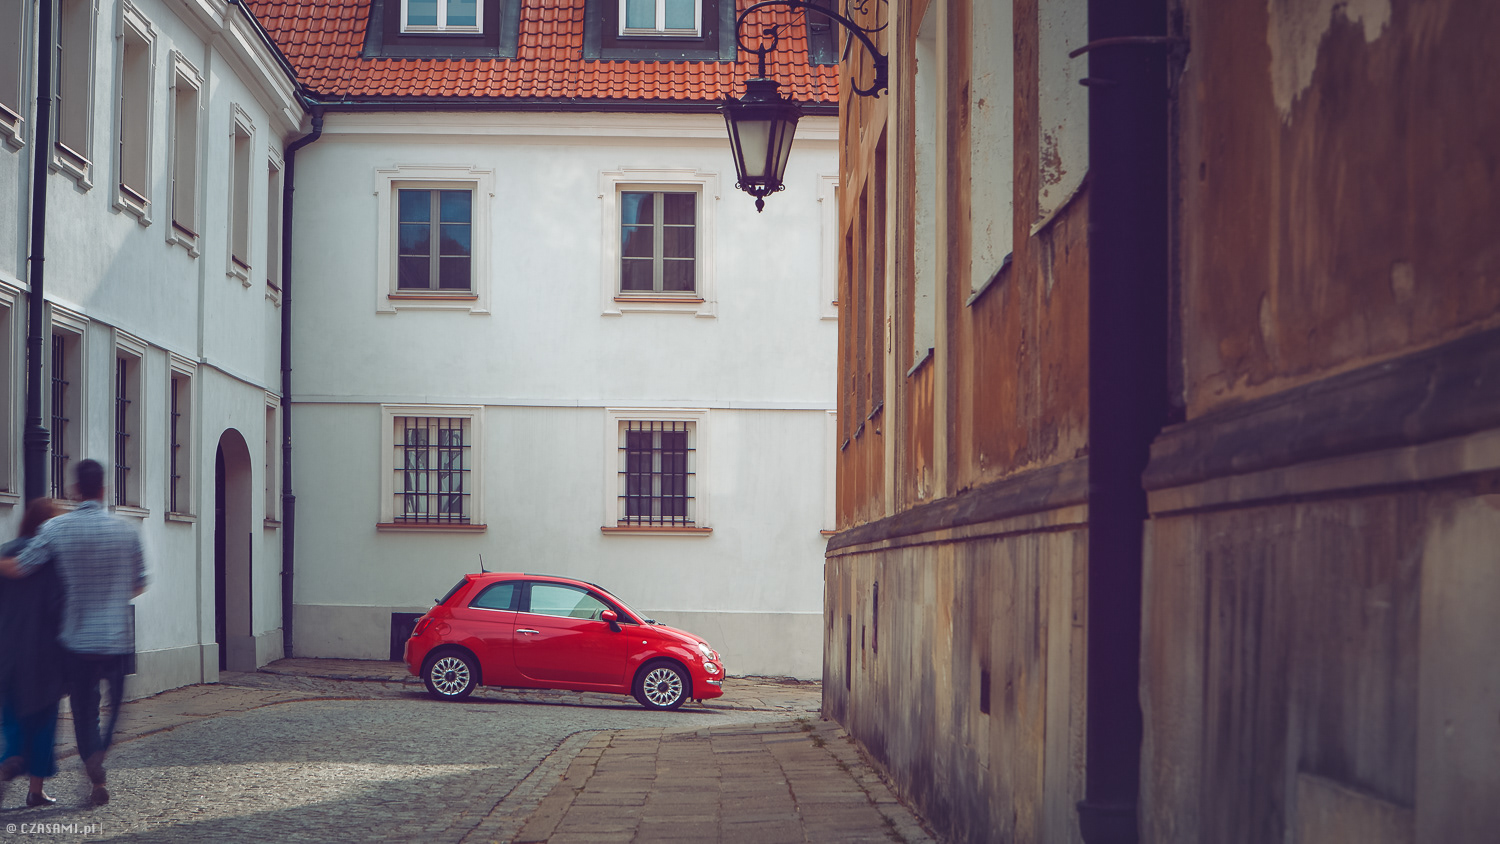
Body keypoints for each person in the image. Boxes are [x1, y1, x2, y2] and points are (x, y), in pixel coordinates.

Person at [0, 460, 147, 807]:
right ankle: (97, 758)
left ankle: (76, 757)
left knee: (85, 710)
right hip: (116, 639)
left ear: (75, 490)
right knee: (113, 709)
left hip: (76, 640)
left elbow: (23, 566)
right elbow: (140, 583)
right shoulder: (126, 532)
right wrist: (111, 597)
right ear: (104, 489)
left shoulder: (57, 530)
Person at [0, 498, 65, 808]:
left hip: (7, 648)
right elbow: (57, 608)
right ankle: (35, 791)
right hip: (44, 653)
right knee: (43, 720)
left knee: (11, 712)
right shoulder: (52, 561)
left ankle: (10, 757)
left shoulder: (5, 552)